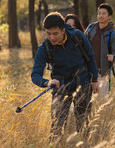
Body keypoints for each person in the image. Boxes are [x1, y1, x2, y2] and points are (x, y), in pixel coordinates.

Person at [31, 12, 99, 144]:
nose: (52, 37)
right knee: (57, 125)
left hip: (82, 83)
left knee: (83, 123)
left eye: (55, 33)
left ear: (63, 30)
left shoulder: (77, 36)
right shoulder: (44, 47)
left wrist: (94, 79)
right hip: (60, 86)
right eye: (48, 33)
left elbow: (90, 57)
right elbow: (35, 75)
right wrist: (47, 82)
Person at [85, 3, 115, 100]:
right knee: (87, 100)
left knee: (102, 101)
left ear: (109, 16)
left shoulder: (113, 34)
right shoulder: (91, 28)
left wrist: (113, 56)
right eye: (99, 13)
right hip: (88, 71)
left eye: (104, 13)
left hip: (103, 72)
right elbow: (83, 44)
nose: (100, 15)